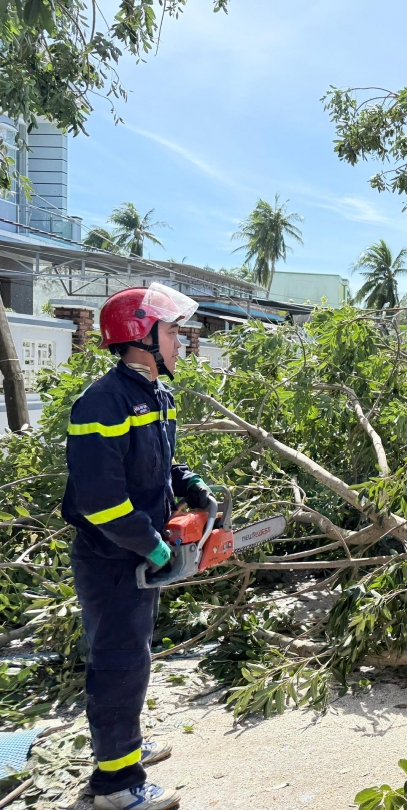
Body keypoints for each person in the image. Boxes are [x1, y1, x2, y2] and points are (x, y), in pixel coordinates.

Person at [62, 284, 214, 810]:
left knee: (135, 657)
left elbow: (160, 461)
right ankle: (115, 785)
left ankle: (123, 749)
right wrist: (155, 548)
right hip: (111, 556)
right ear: (140, 336)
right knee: (119, 662)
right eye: (172, 332)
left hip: (137, 550)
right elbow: (101, 501)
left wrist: (191, 484)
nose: (180, 341)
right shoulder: (101, 402)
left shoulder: (156, 395)